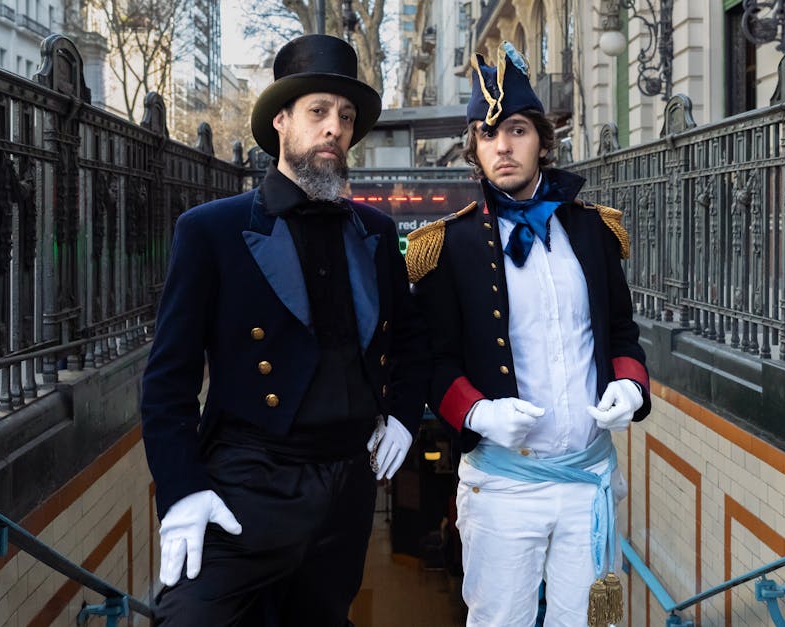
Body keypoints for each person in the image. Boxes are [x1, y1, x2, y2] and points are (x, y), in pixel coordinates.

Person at [140, 34, 428, 626]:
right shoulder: (210, 231)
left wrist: (402, 411)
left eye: (345, 117)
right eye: (318, 112)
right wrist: (182, 490)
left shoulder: (375, 231)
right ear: (281, 121)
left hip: (349, 485)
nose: (335, 129)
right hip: (250, 481)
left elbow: (410, 338)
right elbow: (167, 380)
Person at [407, 41, 651, 627]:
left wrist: (631, 387)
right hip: (502, 486)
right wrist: (477, 414)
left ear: (543, 138)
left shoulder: (593, 230)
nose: (503, 146)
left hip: (587, 479)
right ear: (474, 149)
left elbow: (621, 330)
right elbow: (432, 363)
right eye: (488, 136)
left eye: (516, 130)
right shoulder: (446, 247)